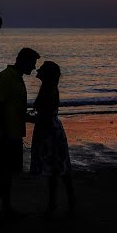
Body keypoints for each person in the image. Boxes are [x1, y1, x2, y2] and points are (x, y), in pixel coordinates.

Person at [0, 47, 39, 220]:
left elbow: (14, 109)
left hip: (14, 134)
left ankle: (6, 207)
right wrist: (3, 133)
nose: (33, 68)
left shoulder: (17, 78)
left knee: (8, 173)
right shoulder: (6, 78)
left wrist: (31, 119)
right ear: (23, 61)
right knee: (1, 172)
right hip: (3, 136)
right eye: (32, 63)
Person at [29, 60, 76, 215]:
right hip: (52, 130)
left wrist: (23, 118)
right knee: (59, 167)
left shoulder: (49, 90)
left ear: (47, 74)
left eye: (41, 68)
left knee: (56, 168)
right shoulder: (48, 88)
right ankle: (65, 201)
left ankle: (56, 203)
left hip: (50, 131)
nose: (38, 69)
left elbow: (45, 116)